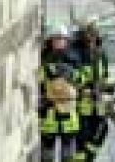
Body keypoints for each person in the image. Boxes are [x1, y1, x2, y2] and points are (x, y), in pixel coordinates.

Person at [39, 26, 84, 161]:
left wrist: (72, 74)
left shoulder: (74, 58)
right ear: (50, 41)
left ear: (66, 41)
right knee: (47, 153)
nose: (59, 42)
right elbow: (38, 79)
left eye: (62, 39)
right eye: (56, 39)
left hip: (68, 112)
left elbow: (82, 80)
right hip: (49, 112)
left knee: (68, 154)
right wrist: (48, 71)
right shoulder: (43, 58)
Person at [74, 22, 115, 161]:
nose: (91, 37)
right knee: (82, 138)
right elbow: (73, 78)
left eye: (94, 34)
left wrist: (110, 95)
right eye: (88, 34)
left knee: (102, 131)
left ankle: (90, 157)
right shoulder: (76, 54)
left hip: (98, 105)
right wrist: (86, 90)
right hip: (80, 106)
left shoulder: (100, 54)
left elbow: (106, 76)